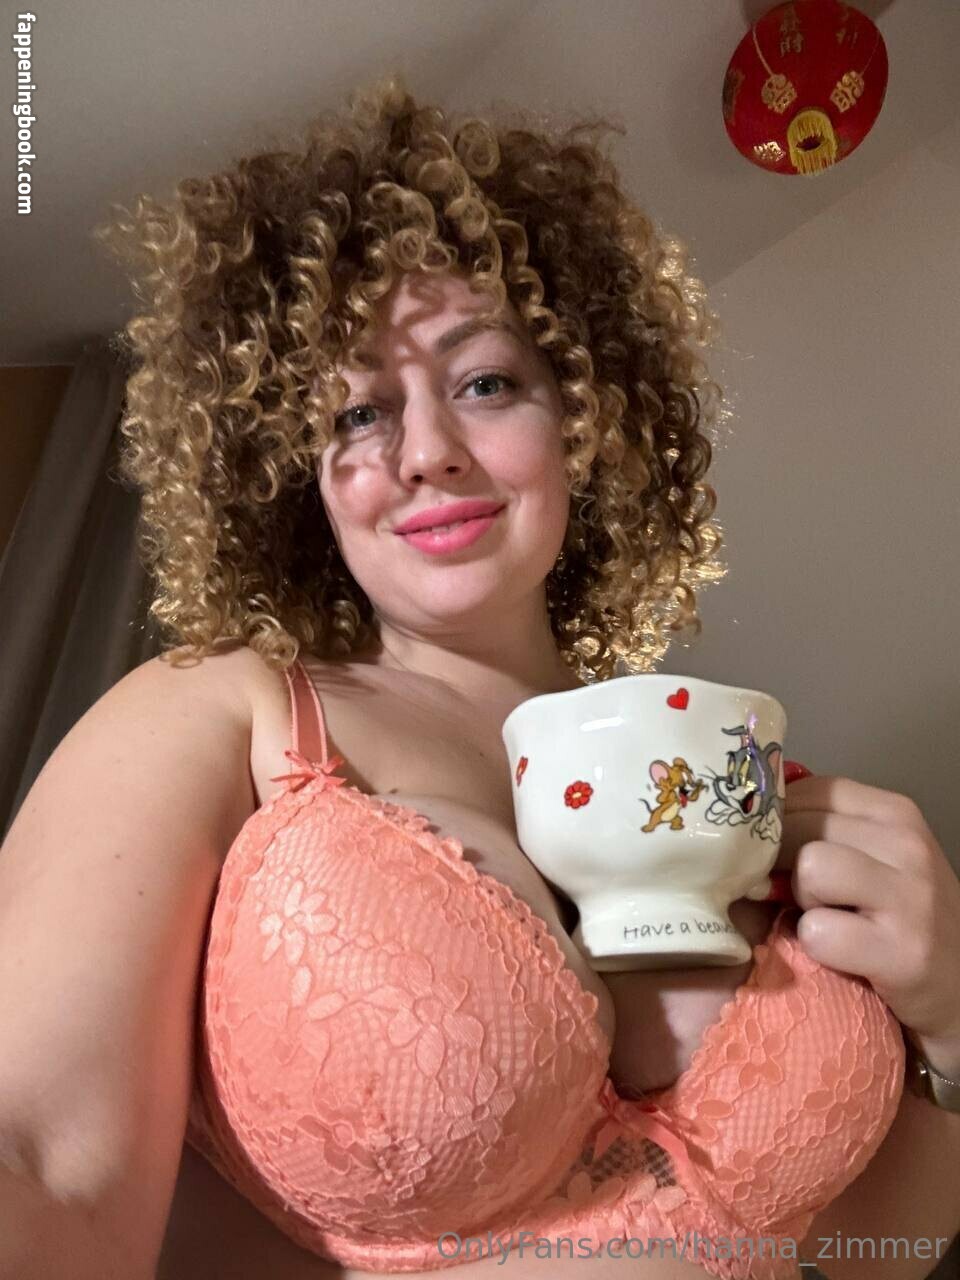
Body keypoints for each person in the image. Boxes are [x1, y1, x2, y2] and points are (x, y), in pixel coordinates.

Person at [3, 73, 959, 1280]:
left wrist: (952, 1023)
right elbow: (45, 1165)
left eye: (486, 382)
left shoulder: (739, 780)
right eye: (356, 412)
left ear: (585, 419)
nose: (426, 452)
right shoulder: (228, 711)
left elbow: (875, 1250)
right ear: (292, 472)